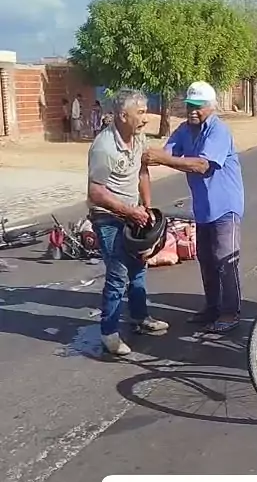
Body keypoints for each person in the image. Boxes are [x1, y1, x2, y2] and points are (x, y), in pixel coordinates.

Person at [144, 81, 244, 334]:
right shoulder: (184, 130)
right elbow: (166, 153)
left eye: (198, 106)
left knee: (225, 261)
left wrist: (163, 158)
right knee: (206, 261)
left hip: (225, 207)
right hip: (203, 208)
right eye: (190, 105)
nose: (193, 111)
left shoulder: (218, 131)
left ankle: (230, 313)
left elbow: (202, 165)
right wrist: (141, 154)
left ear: (211, 106)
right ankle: (212, 308)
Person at [87, 88, 169, 357]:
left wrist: (146, 206)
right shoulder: (103, 147)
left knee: (139, 266)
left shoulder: (138, 137)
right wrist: (128, 211)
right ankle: (109, 334)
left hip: (133, 212)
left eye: (146, 112)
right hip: (108, 216)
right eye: (141, 112)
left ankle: (140, 317)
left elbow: (142, 172)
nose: (146, 118)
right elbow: (96, 192)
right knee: (118, 273)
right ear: (123, 115)